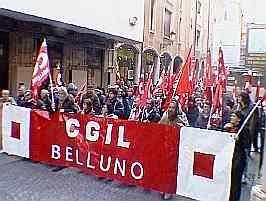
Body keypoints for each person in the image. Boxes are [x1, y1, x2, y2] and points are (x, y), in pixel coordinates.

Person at [224, 111, 248, 201]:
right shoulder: (229, 127)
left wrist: (239, 140)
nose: (231, 117)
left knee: (235, 184)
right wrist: (224, 129)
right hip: (228, 159)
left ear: (239, 119)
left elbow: (246, 144)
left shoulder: (243, 129)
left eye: (233, 116)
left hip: (238, 161)